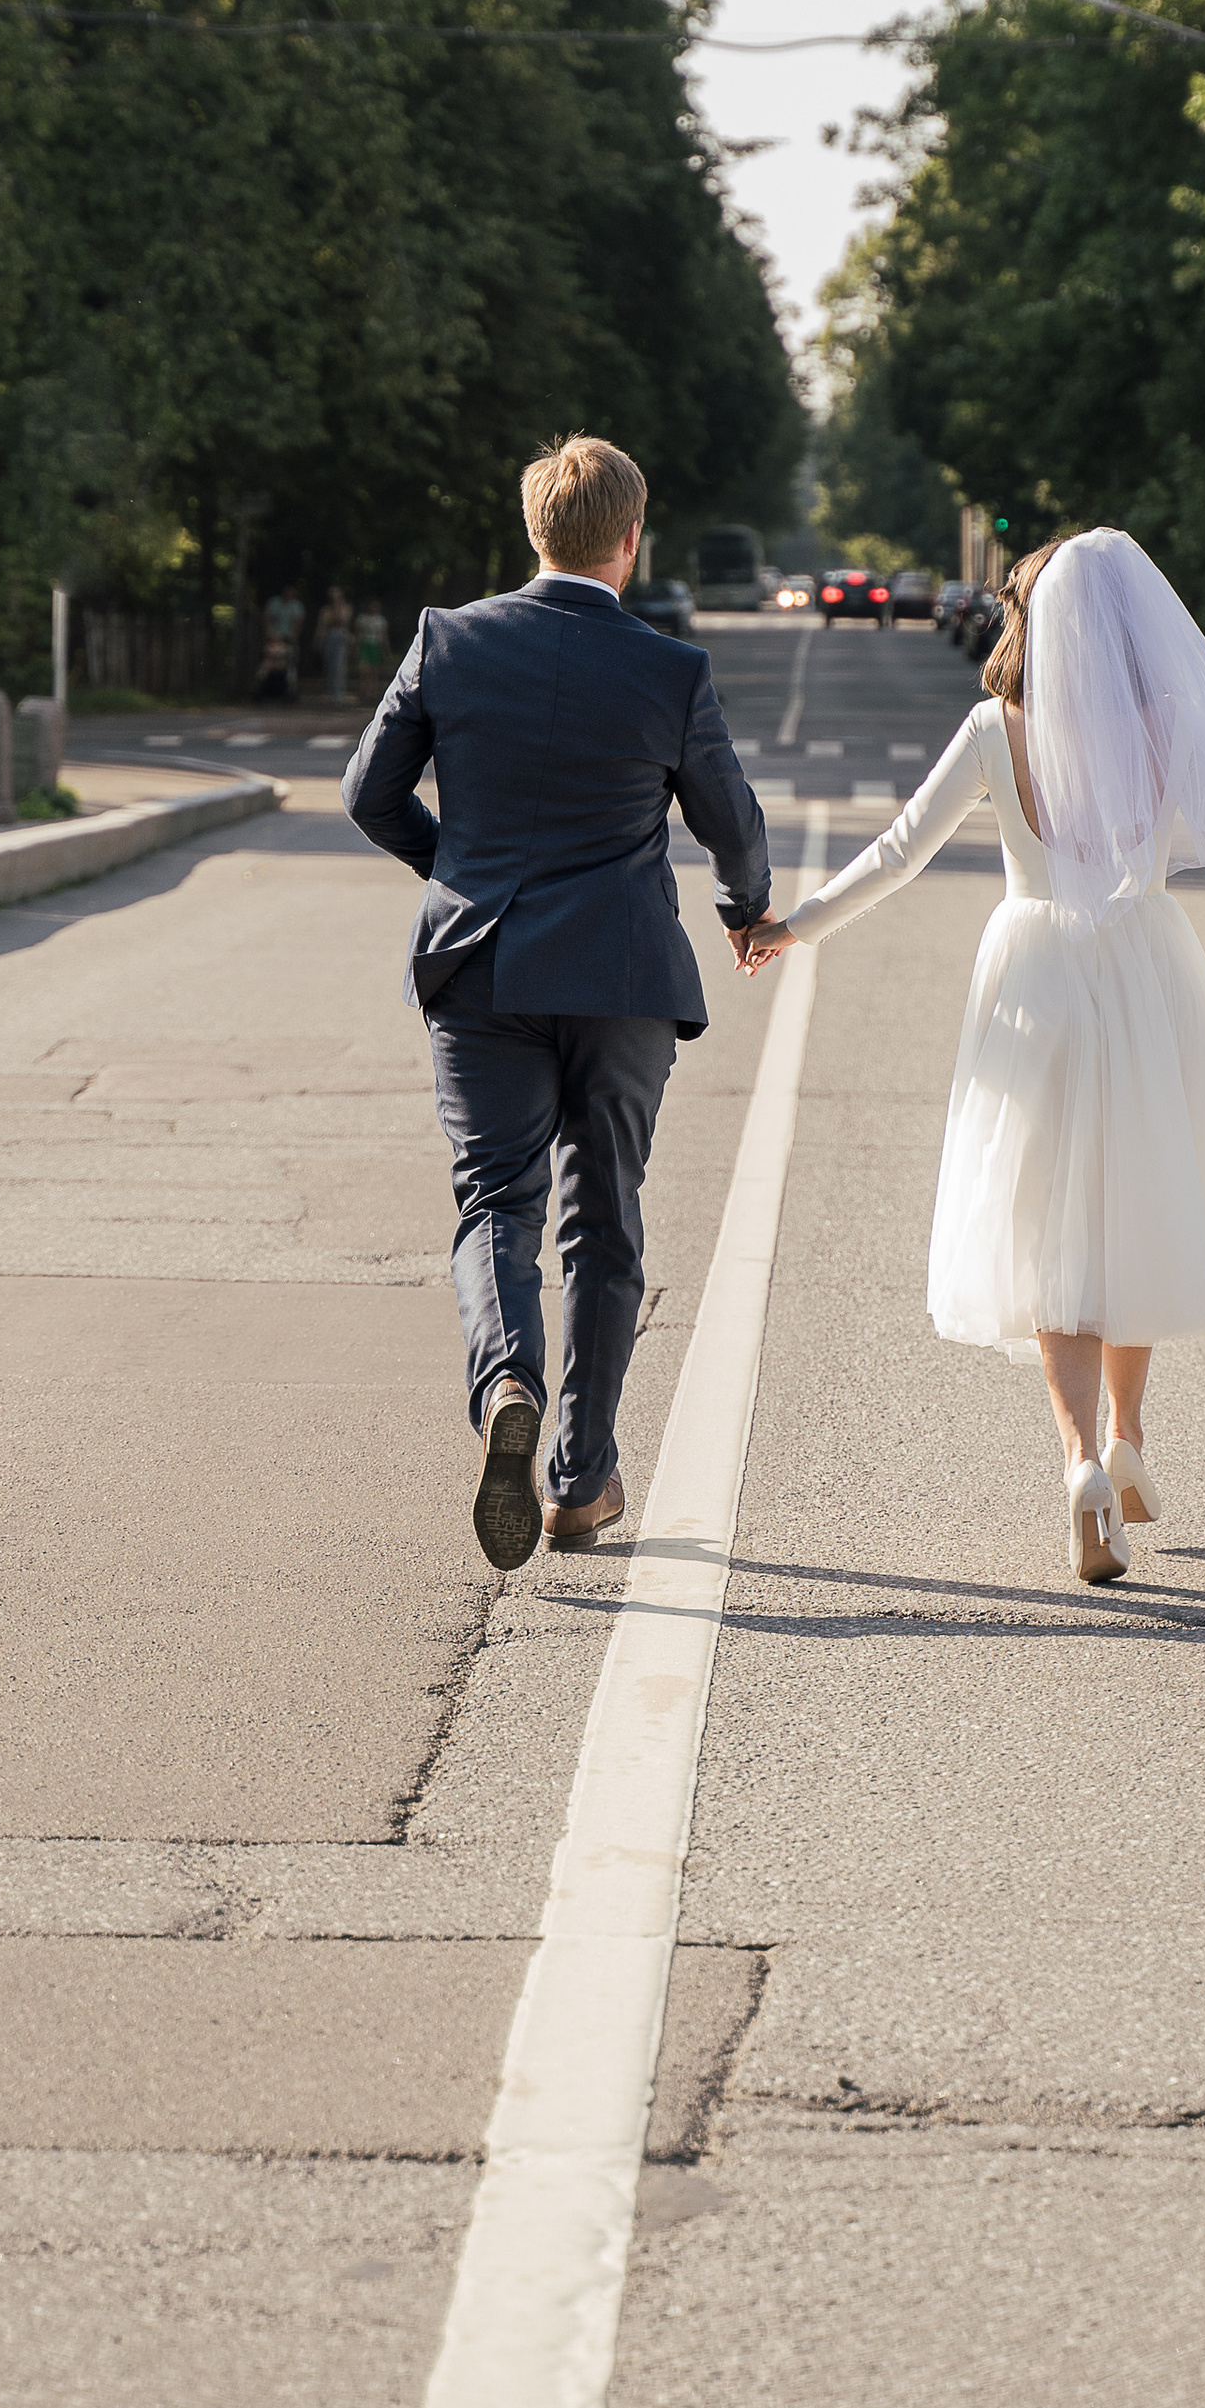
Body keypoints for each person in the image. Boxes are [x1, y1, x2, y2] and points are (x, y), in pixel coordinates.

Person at [739, 529, 1205, 1587]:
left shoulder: (991, 728)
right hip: (1144, 970)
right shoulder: (1171, 731)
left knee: (1048, 1215)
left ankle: (1079, 1469)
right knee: (1135, 1199)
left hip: (1032, 978)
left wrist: (798, 925)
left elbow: (898, 852)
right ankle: (1128, 1440)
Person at [343, 434, 772, 1567]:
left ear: (535, 532)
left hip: (479, 967)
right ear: (631, 541)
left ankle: (505, 1387)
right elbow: (730, 821)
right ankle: (581, 1481)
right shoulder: (668, 670)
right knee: (605, 1216)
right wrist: (743, 909)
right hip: (622, 977)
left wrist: (458, 872)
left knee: (496, 1201)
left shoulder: (451, 640)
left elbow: (367, 794)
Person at [318, 583, 355, 707]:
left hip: (341, 635)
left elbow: (342, 620)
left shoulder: (346, 608)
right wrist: (319, 640)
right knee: (330, 664)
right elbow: (323, 624)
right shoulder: (325, 610)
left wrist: (337, 606)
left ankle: (339, 693)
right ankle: (331, 691)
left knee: (339, 665)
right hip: (329, 635)